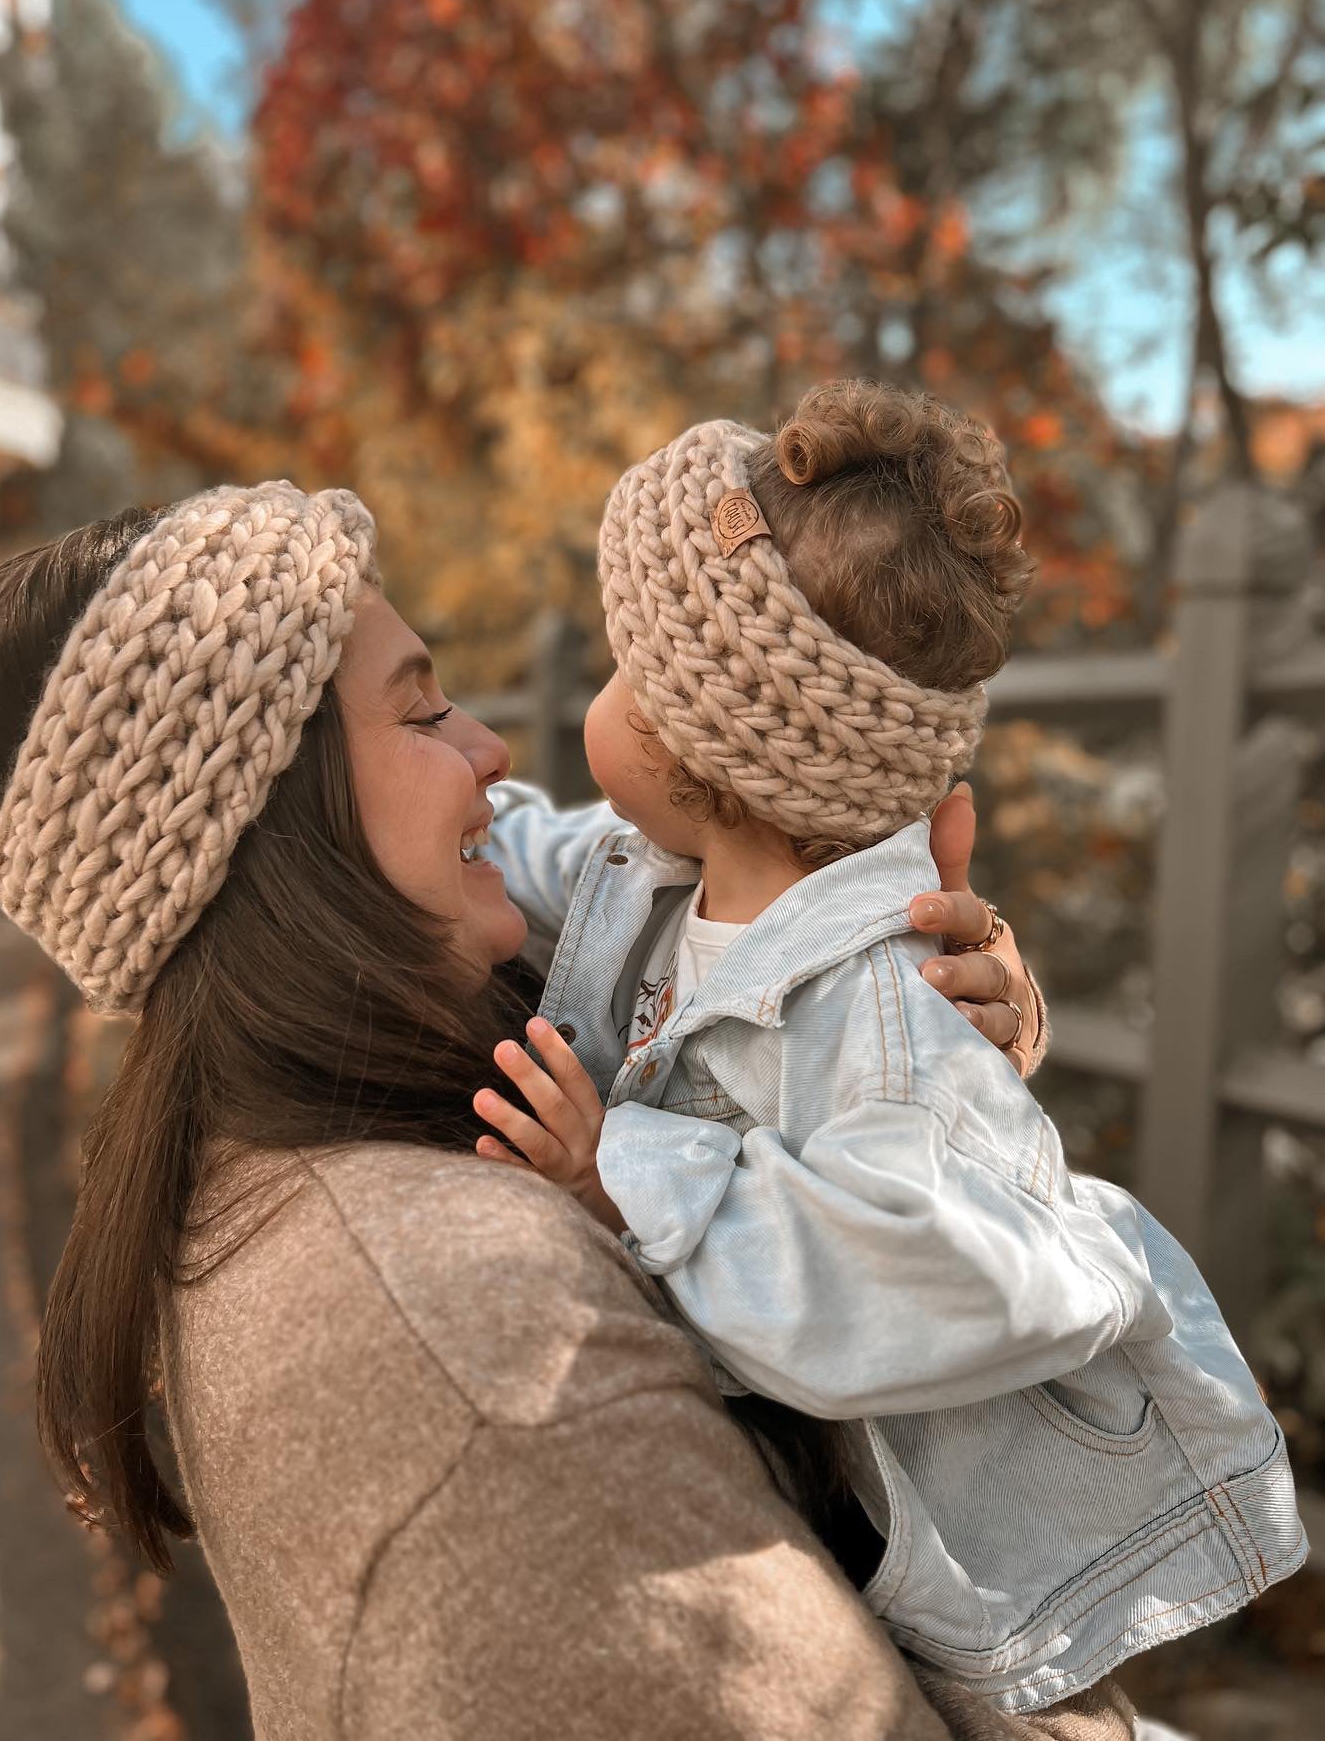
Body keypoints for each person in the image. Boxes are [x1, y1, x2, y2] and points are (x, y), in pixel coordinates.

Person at [0, 479, 1134, 1741]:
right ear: (277, 828)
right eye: (422, 709)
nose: (491, 746)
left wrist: (912, 1023)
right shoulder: (490, 1350)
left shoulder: (338, 1128)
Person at [469, 385, 1307, 1716]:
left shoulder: (886, 1013)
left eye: (633, 676)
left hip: (955, 1605)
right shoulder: (663, 878)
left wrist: (619, 1169)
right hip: (804, 1522)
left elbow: (920, 1266)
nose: (600, 699)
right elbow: (515, 849)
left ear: (708, 754)